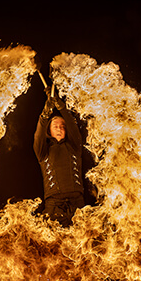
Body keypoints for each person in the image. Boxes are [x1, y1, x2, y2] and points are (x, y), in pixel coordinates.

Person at [33, 85, 84, 228]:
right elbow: (38, 135)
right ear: (49, 130)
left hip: (77, 202)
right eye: (55, 125)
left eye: (62, 126)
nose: (59, 128)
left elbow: (73, 126)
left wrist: (60, 106)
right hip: (54, 203)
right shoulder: (43, 151)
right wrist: (45, 112)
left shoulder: (74, 147)